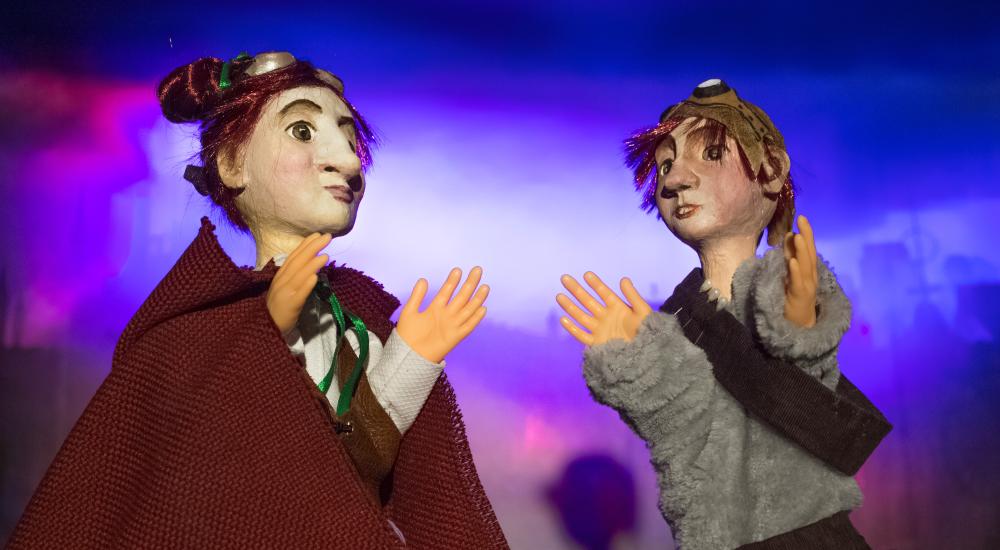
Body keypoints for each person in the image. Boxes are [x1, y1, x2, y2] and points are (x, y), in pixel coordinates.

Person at [8, 51, 508, 549]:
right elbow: (201, 471)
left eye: (350, 138)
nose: (350, 163)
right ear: (231, 163)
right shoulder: (194, 332)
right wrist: (261, 336)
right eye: (302, 131)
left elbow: (360, 458)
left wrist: (411, 356)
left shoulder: (358, 322)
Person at [556, 79, 890, 549]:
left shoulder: (781, 292)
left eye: (711, 154)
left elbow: (805, 399)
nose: (673, 180)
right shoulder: (679, 322)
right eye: (665, 165)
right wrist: (643, 369)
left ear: (770, 171)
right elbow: (688, 451)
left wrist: (799, 325)